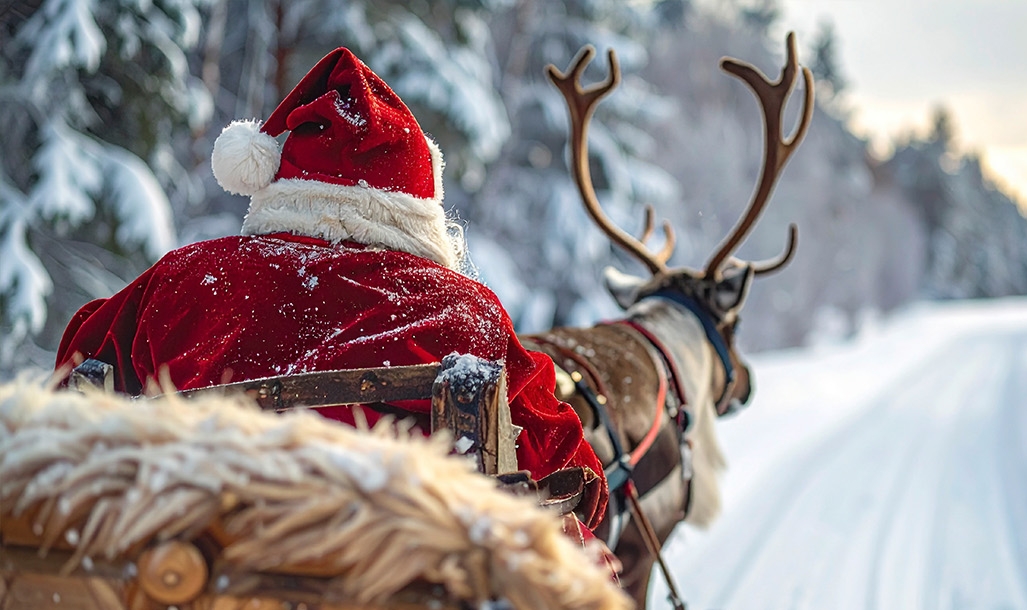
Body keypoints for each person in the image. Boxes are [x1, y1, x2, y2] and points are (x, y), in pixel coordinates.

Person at [54, 47, 610, 541]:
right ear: (417, 206)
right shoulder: (462, 313)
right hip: (395, 592)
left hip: (182, 569)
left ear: (281, 182)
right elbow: (561, 463)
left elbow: (73, 380)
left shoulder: (185, 281)